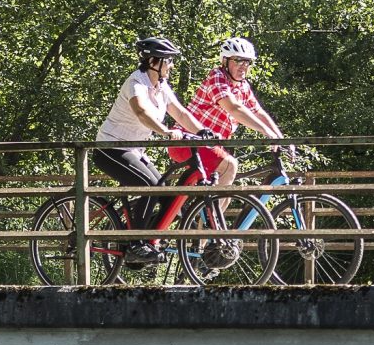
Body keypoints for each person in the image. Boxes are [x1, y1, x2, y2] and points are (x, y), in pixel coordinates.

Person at [94, 36, 209, 265]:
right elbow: (142, 113)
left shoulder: (161, 86)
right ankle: (138, 244)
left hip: (133, 150)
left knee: (166, 193)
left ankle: (148, 238)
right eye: (168, 61)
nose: (172, 65)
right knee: (150, 186)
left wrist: (204, 131)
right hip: (111, 147)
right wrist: (166, 132)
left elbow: (181, 113)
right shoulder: (136, 83)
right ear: (154, 61)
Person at [187, 36, 284, 187]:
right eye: (238, 60)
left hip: (209, 144)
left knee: (223, 180)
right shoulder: (217, 77)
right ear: (224, 61)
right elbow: (233, 108)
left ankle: (208, 210)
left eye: (247, 62)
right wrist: (266, 132)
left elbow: (258, 112)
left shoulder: (242, 85)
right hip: (188, 141)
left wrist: (280, 137)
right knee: (230, 166)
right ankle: (215, 212)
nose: (243, 66)